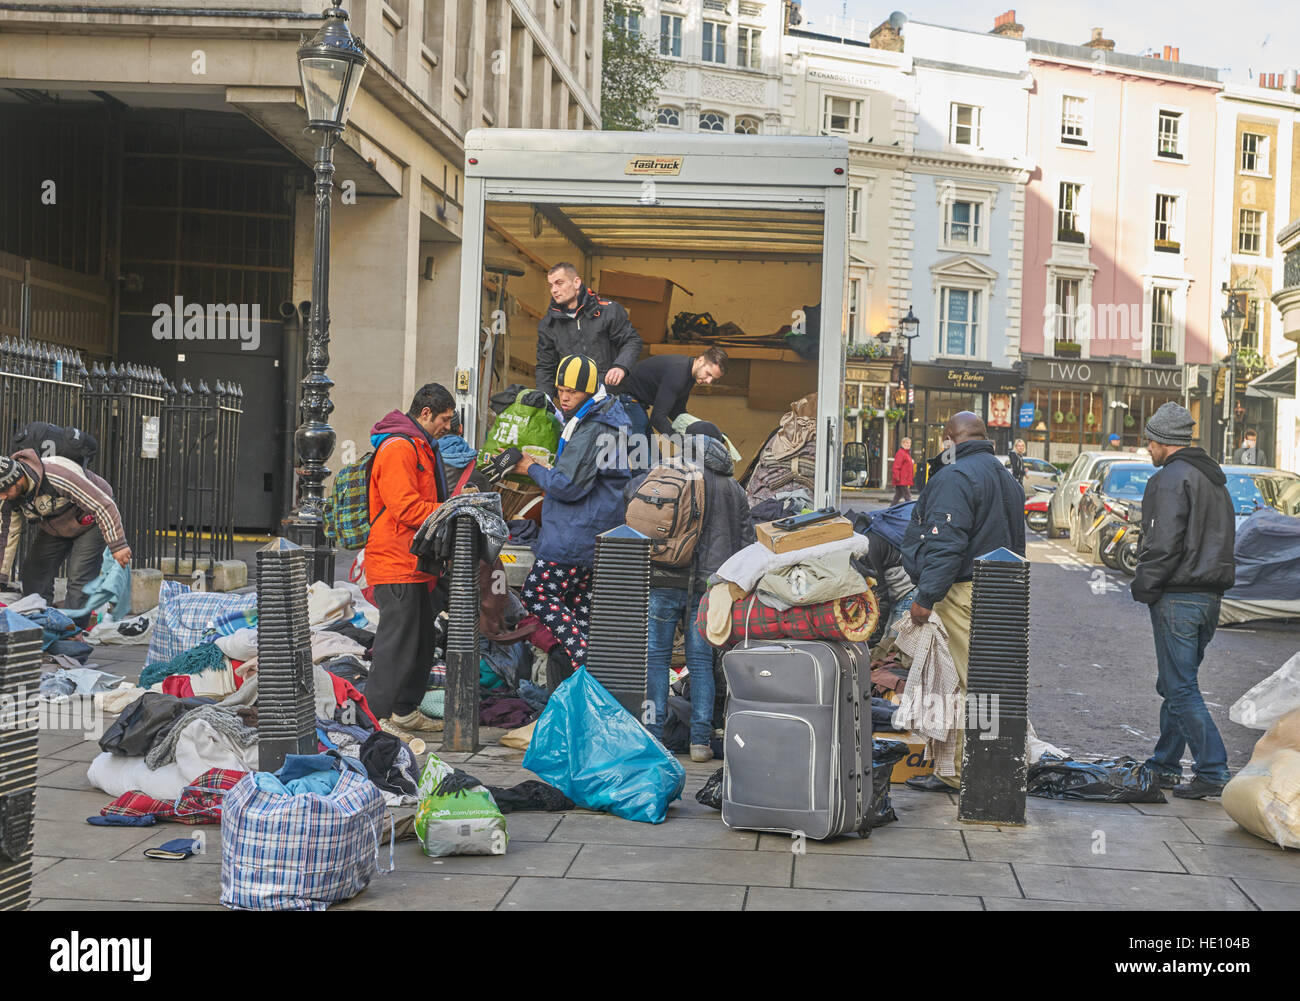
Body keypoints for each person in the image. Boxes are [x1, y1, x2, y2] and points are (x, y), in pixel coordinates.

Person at [900, 412, 1025, 792]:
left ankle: (973, 774)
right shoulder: (1005, 476)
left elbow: (946, 543)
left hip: (963, 591)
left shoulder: (955, 476)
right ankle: (961, 769)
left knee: (968, 683)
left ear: (950, 439)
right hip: (1002, 587)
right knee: (983, 681)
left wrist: (925, 597)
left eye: (943, 442)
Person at [626, 420, 754, 763]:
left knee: (655, 660)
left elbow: (632, 499)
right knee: (700, 662)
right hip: (710, 587)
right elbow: (747, 544)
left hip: (665, 576)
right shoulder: (733, 488)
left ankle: (653, 734)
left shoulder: (668, 471)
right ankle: (700, 740)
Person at [1131, 402, 1235, 799]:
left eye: (1149, 442)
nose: (1147, 449)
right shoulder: (1214, 479)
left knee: (1180, 688)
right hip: (1209, 596)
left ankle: (1212, 769)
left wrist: (1145, 583)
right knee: (1176, 683)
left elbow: (1163, 542)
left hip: (1178, 596)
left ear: (1162, 442)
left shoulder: (1170, 479)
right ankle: (1166, 764)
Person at [514, 354, 632, 689]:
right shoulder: (608, 417)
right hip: (592, 538)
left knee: (536, 592)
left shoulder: (594, 426)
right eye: (561, 390)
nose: (564, 398)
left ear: (590, 391)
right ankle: (579, 693)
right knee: (578, 612)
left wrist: (531, 469)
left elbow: (567, 485)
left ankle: (585, 666)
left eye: (573, 393)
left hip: (574, 537)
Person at [365, 383, 455, 736]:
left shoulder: (419, 445)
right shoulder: (399, 448)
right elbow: (405, 508)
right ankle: (375, 721)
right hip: (395, 562)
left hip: (413, 564)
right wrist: (450, 509)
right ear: (426, 413)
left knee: (420, 644)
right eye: (445, 419)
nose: (448, 427)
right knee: (396, 646)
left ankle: (404, 711)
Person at [0, 451, 131, 615]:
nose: (2, 496)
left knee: (79, 576)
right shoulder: (9, 499)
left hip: (91, 519)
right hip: (55, 523)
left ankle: (74, 629)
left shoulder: (57, 475)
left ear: (17, 479)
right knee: (34, 569)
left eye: (4, 491)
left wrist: (118, 545)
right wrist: (1, 576)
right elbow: (6, 537)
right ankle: (39, 620)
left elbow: (102, 505)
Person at [535, 262, 643, 401]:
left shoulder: (608, 311)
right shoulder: (548, 324)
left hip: (611, 396)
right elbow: (545, 366)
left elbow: (632, 341)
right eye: (551, 285)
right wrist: (545, 401)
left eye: (559, 283)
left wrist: (621, 366)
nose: (554, 290)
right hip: (574, 400)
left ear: (576, 282)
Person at [620, 347, 728, 442]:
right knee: (645, 460)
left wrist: (709, 433)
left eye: (713, 378)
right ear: (701, 360)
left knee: (654, 460)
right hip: (626, 399)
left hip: (637, 403)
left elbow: (677, 412)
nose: (709, 381)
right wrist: (683, 443)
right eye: (708, 374)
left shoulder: (689, 376)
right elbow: (657, 418)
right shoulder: (678, 373)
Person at [890, 437, 915, 504]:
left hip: (904, 479)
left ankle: (890, 509)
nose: (909, 444)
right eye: (907, 442)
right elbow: (896, 466)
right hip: (902, 479)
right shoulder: (901, 453)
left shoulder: (906, 453)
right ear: (902, 443)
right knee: (908, 497)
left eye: (910, 443)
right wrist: (897, 477)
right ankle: (911, 512)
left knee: (898, 496)